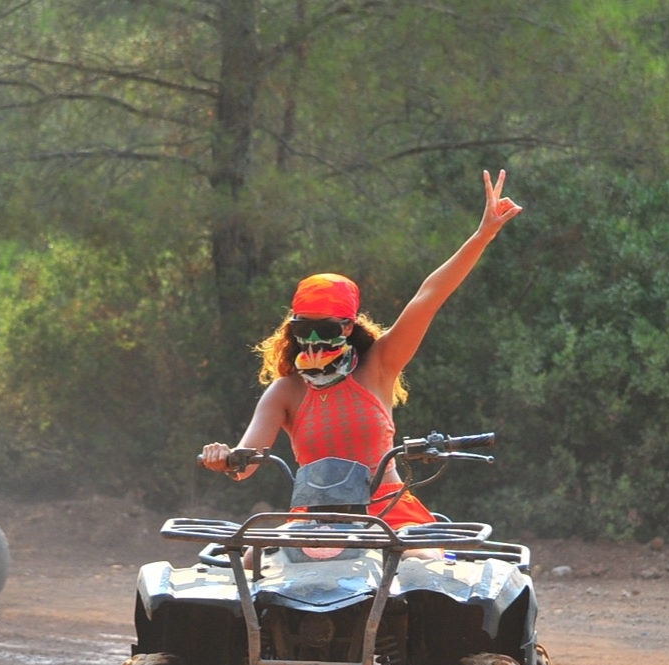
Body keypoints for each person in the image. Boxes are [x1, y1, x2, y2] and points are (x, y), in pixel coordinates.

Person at [200, 169, 522, 527]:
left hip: (388, 509)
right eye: (303, 328)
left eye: (325, 328)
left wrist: (483, 234)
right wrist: (225, 458)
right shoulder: (285, 391)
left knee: (420, 558)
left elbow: (428, 297)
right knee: (256, 557)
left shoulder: (379, 365)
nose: (314, 339)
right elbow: (246, 463)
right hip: (315, 518)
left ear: (348, 327)